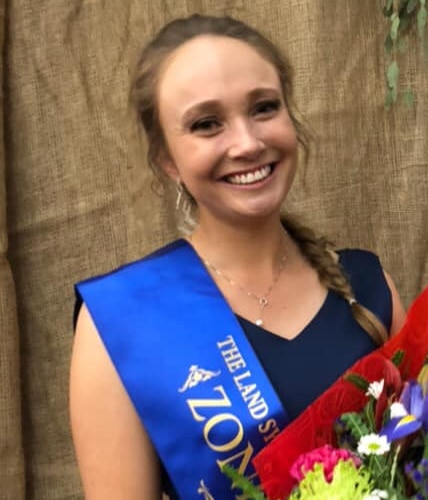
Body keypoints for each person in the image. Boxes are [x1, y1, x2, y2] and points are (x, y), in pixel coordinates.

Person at [69, 14, 406, 499]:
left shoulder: (367, 288)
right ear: (167, 159)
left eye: (264, 108)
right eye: (207, 124)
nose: (248, 143)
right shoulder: (122, 321)